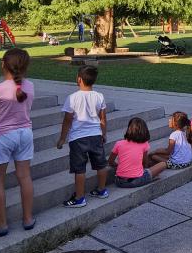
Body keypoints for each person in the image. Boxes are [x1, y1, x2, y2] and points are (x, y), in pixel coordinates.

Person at [0, 49, 35, 236]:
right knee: (25, 177)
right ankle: (28, 219)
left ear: (3, 64)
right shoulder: (31, 86)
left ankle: (1, 225)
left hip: (4, 136)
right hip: (25, 134)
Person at [57, 65, 109, 207]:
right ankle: (102, 190)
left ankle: (79, 198)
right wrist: (103, 134)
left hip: (78, 139)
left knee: (79, 168)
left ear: (79, 79)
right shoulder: (99, 96)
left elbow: (67, 120)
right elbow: (103, 119)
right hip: (96, 135)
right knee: (101, 164)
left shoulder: (72, 98)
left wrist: (62, 138)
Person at [110, 117, 167, 188]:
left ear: (128, 129)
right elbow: (145, 163)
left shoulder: (119, 143)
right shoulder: (144, 144)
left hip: (119, 181)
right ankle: (150, 178)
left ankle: (149, 177)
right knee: (163, 164)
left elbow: (110, 161)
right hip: (136, 181)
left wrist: (118, 165)